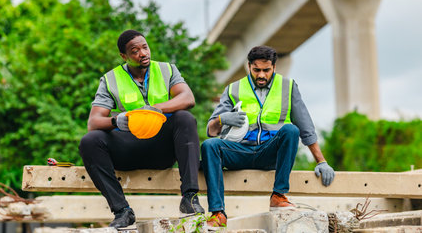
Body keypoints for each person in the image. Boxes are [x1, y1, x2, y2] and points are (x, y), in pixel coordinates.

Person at [79, 30, 204, 229]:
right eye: (135, 51)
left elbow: (187, 99)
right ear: (124, 56)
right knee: (89, 141)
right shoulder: (111, 79)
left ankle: (190, 197)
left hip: (161, 150)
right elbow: (93, 122)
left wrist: (154, 109)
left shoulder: (167, 70)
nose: (142, 53)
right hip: (128, 148)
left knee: (185, 118)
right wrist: (117, 120)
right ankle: (122, 211)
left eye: (144, 47)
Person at [201, 45, 335, 228]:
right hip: (240, 152)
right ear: (249, 66)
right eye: (257, 70)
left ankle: (278, 196)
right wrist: (221, 118)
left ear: (274, 67)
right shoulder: (233, 89)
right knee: (210, 145)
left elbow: (306, 127)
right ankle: (217, 213)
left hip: (270, 153)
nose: (261, 75)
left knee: (291, 130)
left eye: (266, 70)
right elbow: (211, 130)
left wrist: (321, 161)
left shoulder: (288, 87)